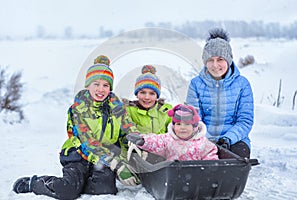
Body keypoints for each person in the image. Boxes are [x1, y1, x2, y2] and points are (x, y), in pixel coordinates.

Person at [13, 55, 140, 199]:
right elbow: (87, 142)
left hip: (103, 158)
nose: (101, 89)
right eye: (96, 84)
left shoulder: (116, 107)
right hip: (79, 155)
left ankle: (82, 183)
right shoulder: (78, 109)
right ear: (88, 85)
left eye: (106, 85)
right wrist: (115, 164)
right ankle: (35, 183)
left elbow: (128, 127)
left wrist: (134, 142)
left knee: (106, 189)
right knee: (67, 190)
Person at [186, 28, 254, 158]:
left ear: (228, 60)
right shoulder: (196, 84)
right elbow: (194, 119)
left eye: (220, 59)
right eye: (210, 60)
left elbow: (245, 121)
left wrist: (227, 139)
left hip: (234, 140)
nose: (215, 65)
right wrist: (206, 139)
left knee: (237, 160)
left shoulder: (242, 84)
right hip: (202, 138)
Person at [126, 104, 219, 161]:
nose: (182, 128)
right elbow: (155, 141)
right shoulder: (168, 139)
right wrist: (142, 140)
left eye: (187, 124)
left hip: (195, 177)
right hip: (173, 176)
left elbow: (210, 154)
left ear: (194, 127)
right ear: (174, 126)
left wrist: (210, 167)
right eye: (178, 124)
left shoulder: (202, 142)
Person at [122, 65, 172, 134]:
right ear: (137, 94)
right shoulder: (128, 110)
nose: (147, 97)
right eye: (142, 92)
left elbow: (173, 131)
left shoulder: (166, 111)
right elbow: (126, 131)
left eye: (152, 93)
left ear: (157, 96)